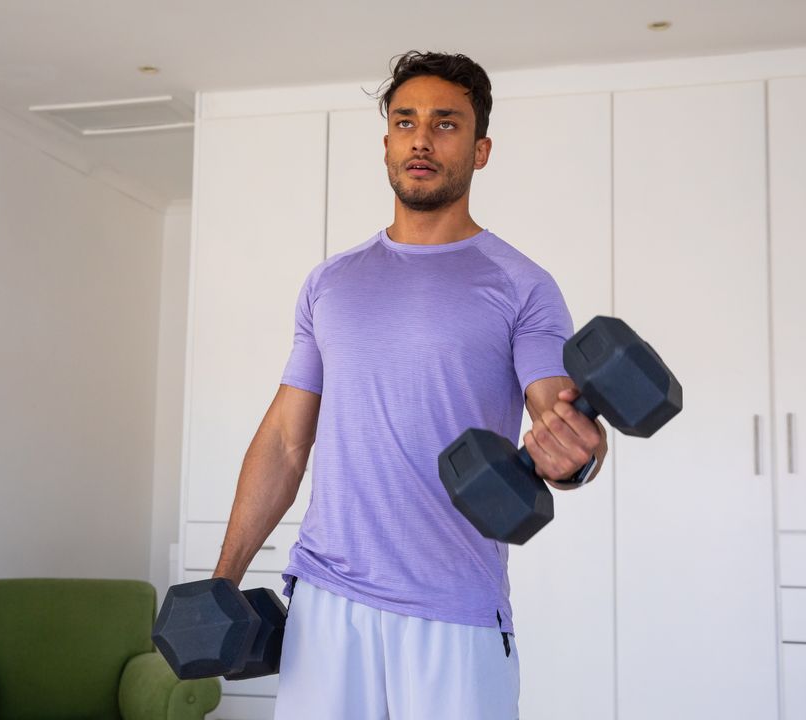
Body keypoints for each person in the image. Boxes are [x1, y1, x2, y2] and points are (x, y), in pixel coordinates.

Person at [211, 50, 607, 720]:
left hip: (452, 608)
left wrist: (575, 455)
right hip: (327, 600)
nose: (421, 138)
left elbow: (556, 414)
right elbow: (283, 443)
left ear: (480, 151)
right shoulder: (330, 283)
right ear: (388, 143)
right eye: (405, 121)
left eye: (446, 124)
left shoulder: (521, 284)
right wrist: (223, 581)